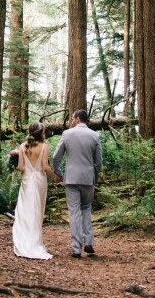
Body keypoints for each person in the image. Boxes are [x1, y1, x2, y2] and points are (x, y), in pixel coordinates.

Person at [52, 109, 102, 258]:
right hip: (88, 179)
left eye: (73, 118)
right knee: (86, 209)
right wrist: (95, 177)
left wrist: (59, 172)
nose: (72, 121)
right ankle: (89, 242)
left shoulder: (67, 134)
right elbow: (99, 161)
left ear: (78, 118)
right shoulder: (95, 135)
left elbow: (56, 157)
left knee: (73, 212)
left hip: (71, 179)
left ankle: (76, 248)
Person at [12, 121, 61, 259]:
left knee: (25, 209)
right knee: (37, 210)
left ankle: (24, 240)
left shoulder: (23, 146)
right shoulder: (44, 146)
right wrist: (55, 177)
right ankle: (35, 242)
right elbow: (45, 167)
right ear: (42, 132)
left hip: (27, 180)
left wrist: (13, 163)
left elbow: (21, 167)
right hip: (40, 180)